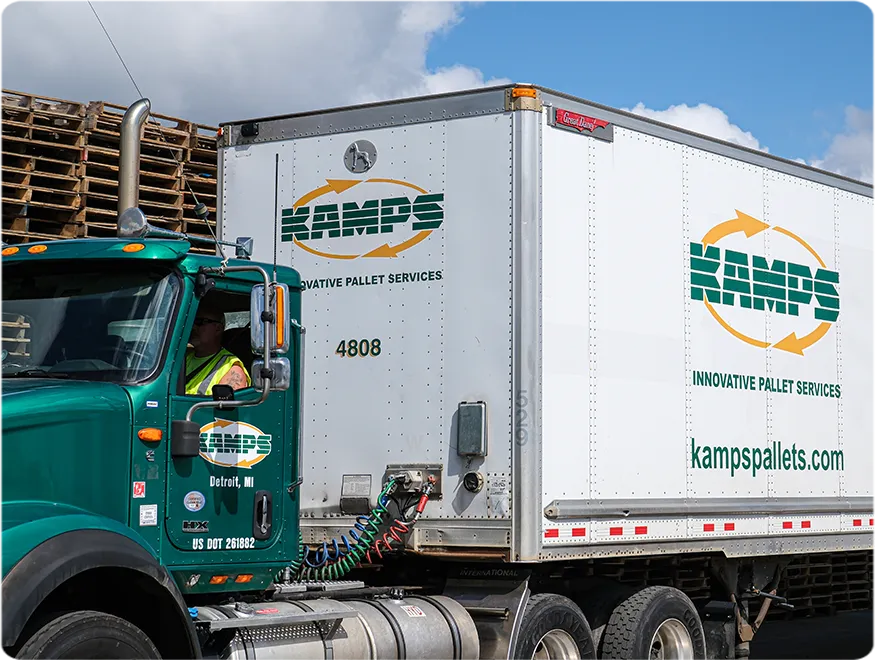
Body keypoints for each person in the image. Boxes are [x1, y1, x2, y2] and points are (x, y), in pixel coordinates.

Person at [184, 302, 250, 396]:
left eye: (200, 322)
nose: (193, 327)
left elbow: (226, 408)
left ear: (218, 329)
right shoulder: (181, 358)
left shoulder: (232, 369)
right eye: (192, 322)